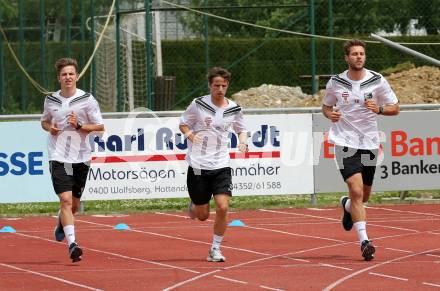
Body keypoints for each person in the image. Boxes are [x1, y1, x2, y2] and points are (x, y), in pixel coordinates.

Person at [322, 39, 399, 261]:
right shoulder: (336, 82)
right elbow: (326, 106)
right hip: (344, 142)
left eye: (362, 53)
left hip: (369, 143)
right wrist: (330, 114)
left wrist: (380, 108)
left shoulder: (377, 80)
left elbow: (396, 108)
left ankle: (347, 206)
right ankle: (365, 241)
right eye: (354, 54)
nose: (358, 57)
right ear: (346, 58)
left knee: (363, 195)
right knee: (356, 190)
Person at [179, 67, 248, 262]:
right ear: (210, 85)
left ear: (228, 86)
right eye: (216, 85)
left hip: (221, 164)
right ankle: (195, 204)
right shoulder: (198, 104)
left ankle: (215, 248)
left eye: (223, 86)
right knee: (202, 215)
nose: (220, 89)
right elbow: (183, 123)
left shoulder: (234, 108)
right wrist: (191, 135)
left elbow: (241, 129)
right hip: (199, 165)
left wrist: (243, 141)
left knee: (223, 207)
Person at [41, 58, 104, 262]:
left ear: (77, 76)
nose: (67, 77)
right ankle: (73, 245)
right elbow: (44, 121)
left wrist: (79, 126)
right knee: (65, 200)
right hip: (58, 156)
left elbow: (100, 127)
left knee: (74, 205)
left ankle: (62, 223)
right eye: (64, 74)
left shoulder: (87, 99)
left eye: (71, 74)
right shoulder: (51, 100)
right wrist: (49, 128)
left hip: (81, 157)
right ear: (59, 78)